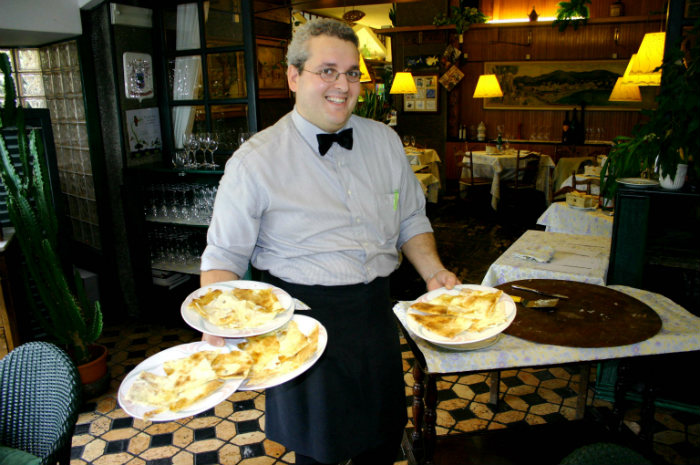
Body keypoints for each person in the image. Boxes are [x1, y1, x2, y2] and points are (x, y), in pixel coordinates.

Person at [200, 18, 460, 465]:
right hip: (302, 324)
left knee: (381, 443)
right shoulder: (255, 161)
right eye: (327, 71)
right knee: (319, 452)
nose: (343, 85)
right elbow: (225, 253)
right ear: (293, 77)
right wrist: (216, 317)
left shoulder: (385, 142)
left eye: (351, 73)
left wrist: (433, 271)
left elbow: (411, 218)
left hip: (375, 314)